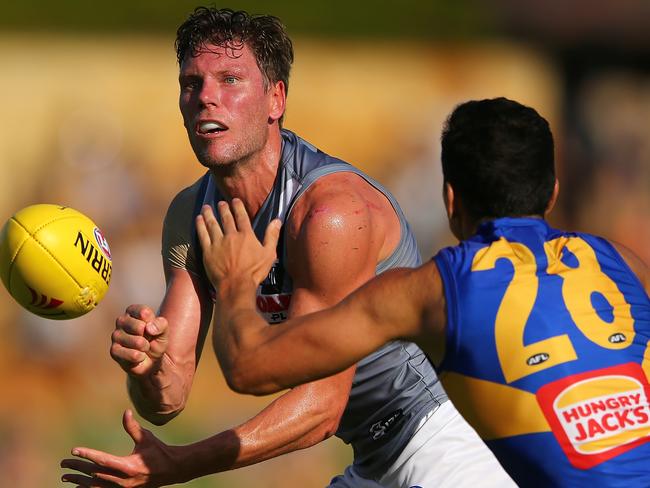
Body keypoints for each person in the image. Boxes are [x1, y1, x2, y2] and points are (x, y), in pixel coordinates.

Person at [60, 7, 512, 488]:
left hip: (447, 447)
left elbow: (321, 407)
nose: (206, 98)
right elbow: (168, 399)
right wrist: (146, 368)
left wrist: (181, 464)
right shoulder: (189, 215)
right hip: (375, 458)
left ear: (276, 99)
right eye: (191, 83)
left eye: (230, 79)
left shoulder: (330, 214)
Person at [195, 97, 650, 487]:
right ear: (552, 194)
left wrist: (236, 281)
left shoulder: (433, 291)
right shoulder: (623, 263)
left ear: (450, 201)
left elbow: (249, 366)